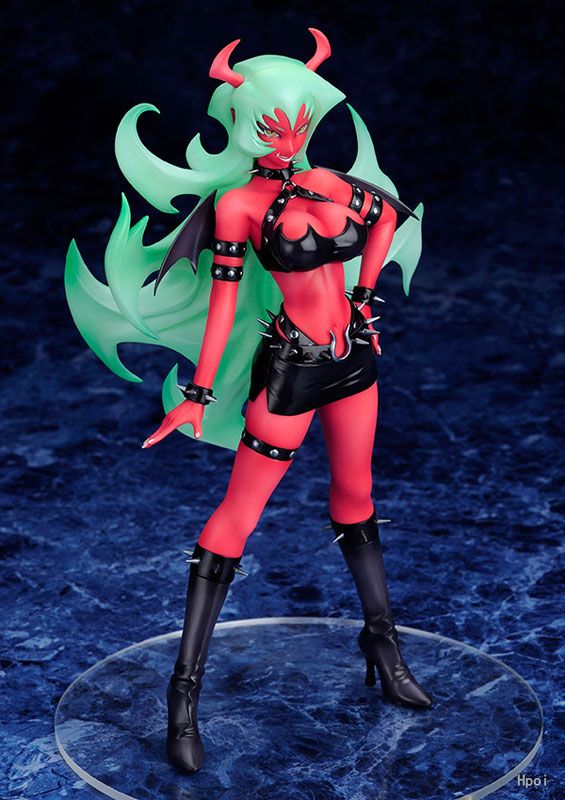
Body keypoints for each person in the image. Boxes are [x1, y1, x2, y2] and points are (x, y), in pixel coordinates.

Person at [65, 29, 432, 775]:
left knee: (356, 498)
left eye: (298, 123)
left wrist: (364, 295)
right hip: (291, 370)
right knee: (238, 514)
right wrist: (199, 392)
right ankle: (184, 694)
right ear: (244, 124)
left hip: (353, 361)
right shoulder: (236, 205)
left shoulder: (328, 182)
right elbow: (226, 304)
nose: (287, 138)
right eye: (271, 125)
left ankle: (382, 644)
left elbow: (389, 216)